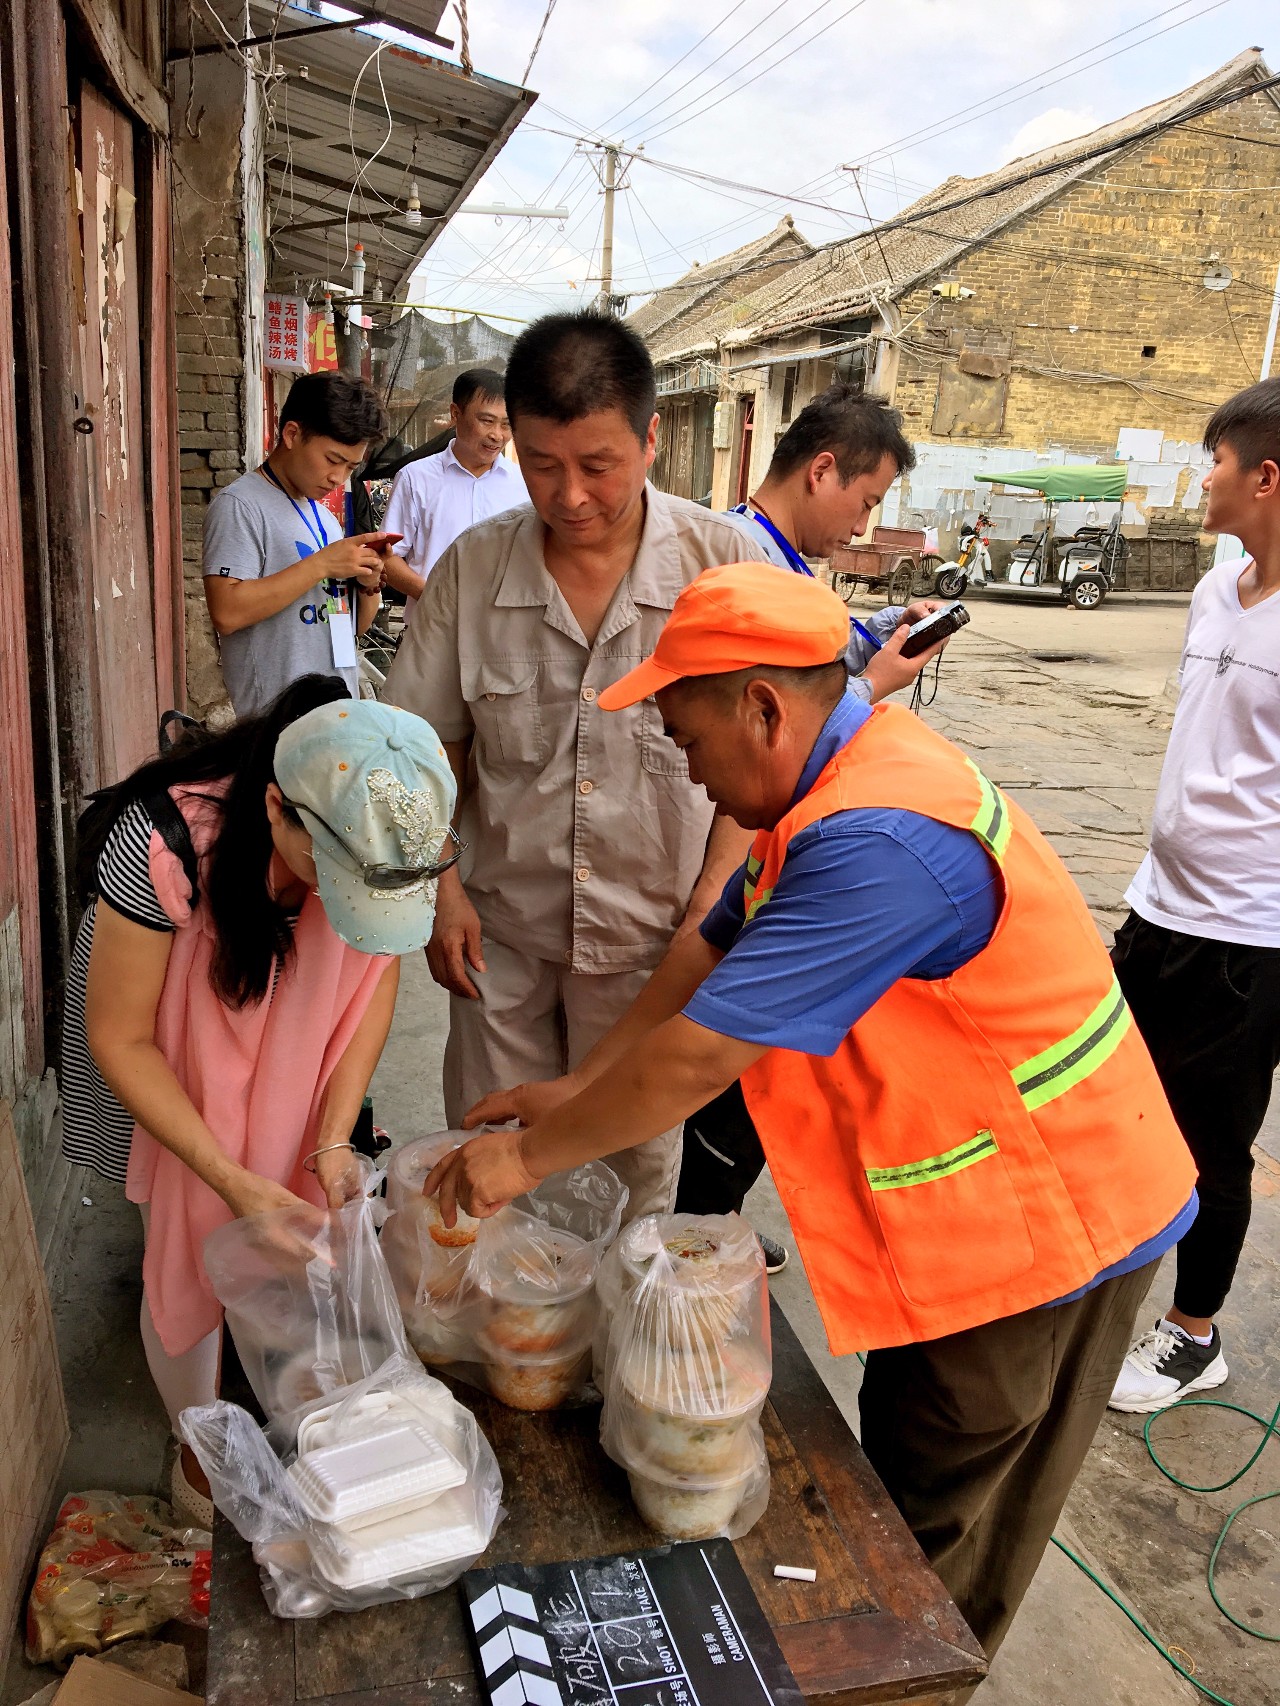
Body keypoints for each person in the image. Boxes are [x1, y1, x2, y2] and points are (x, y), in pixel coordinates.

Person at [425, 564, 1197, 1664]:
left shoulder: (878, 841)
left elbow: (702, 1052)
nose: (688, 775)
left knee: (933, 1538)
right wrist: (577, 1086)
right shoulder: (821, 784)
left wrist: (523, 1159)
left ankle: (907, 1683)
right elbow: (705, 948)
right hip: (965, 1209)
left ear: (761, 706)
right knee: (896, 1476)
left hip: (1047, 1225)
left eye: (686, 740)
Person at [383, 311, 783, 1221]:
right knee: (489, 1158)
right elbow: (422, 747)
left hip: (654, 945)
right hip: (501, 939)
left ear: (650, 441)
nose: (569, 495)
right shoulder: (472, 572)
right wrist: (439, 886)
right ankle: (504, 1353)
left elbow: (769, 758)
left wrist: (712, 902)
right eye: (541, 462)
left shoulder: (724, 567)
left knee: (631, 1166)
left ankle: (605, 1347)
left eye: (598, 465)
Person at [61, 678, 458, 1525]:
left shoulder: (386, 836)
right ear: (276, 809)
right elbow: (123, 1038)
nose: (340, 907)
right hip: (165, 1053)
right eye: (333, 877)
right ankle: (199, 1459)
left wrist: (332, 1137)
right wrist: (232, 1184)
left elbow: (371, 986)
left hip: (291, 1052)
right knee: (191, 1221)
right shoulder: (165, 840)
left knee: (292, 1216)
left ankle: (274, 1388)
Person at [683, 385, 945, 1263]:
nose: (863, 524)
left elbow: (805, 691)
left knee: (726, 1035)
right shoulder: (742, 559)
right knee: (723, 1055)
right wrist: (872, 688)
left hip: (759, 848)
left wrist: (871, 640)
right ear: (821, 468)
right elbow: (795, 722)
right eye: (866, 501)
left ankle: (703, 1222)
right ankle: (698, 1222)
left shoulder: (780, 566)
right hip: (740, 844)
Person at [1109, 376, 1280, 1414]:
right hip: (1156, 905)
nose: (1199, 474)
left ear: (1264, 476)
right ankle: (1108, 1276)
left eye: (1212, 459)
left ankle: (1192, 1330)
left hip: (1246, 931)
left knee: (1211, 1141)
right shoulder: (1213, 589)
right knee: (1118, 1102)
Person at [203, 372, 399, 716]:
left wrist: (368, 583)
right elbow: (227, 613)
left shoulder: (322, 517)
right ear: (292, 434)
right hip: (276, 721)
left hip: (337, 710)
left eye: (351, 467)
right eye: (333, 460)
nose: (338, 478)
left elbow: (355, 626)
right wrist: (323, 564)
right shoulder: (241, 505)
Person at [381, 368, 529, 621]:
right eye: (486, 421)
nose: (497, 435)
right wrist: (434, 597)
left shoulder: (523, 484)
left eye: (506, 425)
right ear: (455, 414)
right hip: (431, 630)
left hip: (501, 634)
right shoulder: (416, 478)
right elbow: (388, 556)